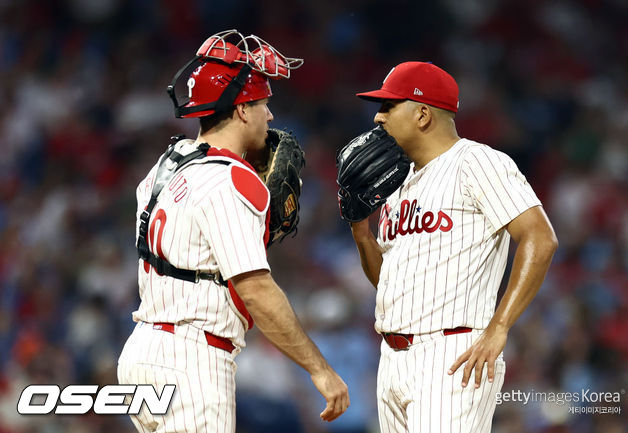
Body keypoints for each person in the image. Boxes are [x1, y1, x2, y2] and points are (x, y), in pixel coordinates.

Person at [117, 30, 349, 433]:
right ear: (242, 109)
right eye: (263, 105)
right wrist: (320, 369)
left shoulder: (165, 166)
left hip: (143, 350)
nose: (270, 116)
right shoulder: (231, 180)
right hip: (191, 359)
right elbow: (256, 289)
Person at [347, 61, 558, 433]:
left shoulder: (478, 162)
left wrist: (499, 327)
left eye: (388, 106)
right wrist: (362, 234)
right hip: (392, 356)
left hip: (454, 352)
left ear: (423, 114)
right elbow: (388, 282)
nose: (378, 118)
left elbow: (540, 238)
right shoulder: (397, 181)